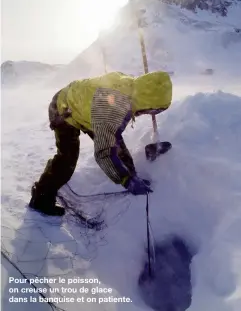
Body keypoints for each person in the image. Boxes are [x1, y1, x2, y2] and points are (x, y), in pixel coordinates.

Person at [29, 71, 172, 216]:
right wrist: (126, 180)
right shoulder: (111, 111)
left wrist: (131, 176)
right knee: (67, 158)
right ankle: (41, 198)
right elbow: (104, 153)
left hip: (86, 109)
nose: (150, 113)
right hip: (63, 110)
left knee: (117, 147)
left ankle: (132, 175)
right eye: (154, 110)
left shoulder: (132, 87)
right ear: (147, 102)